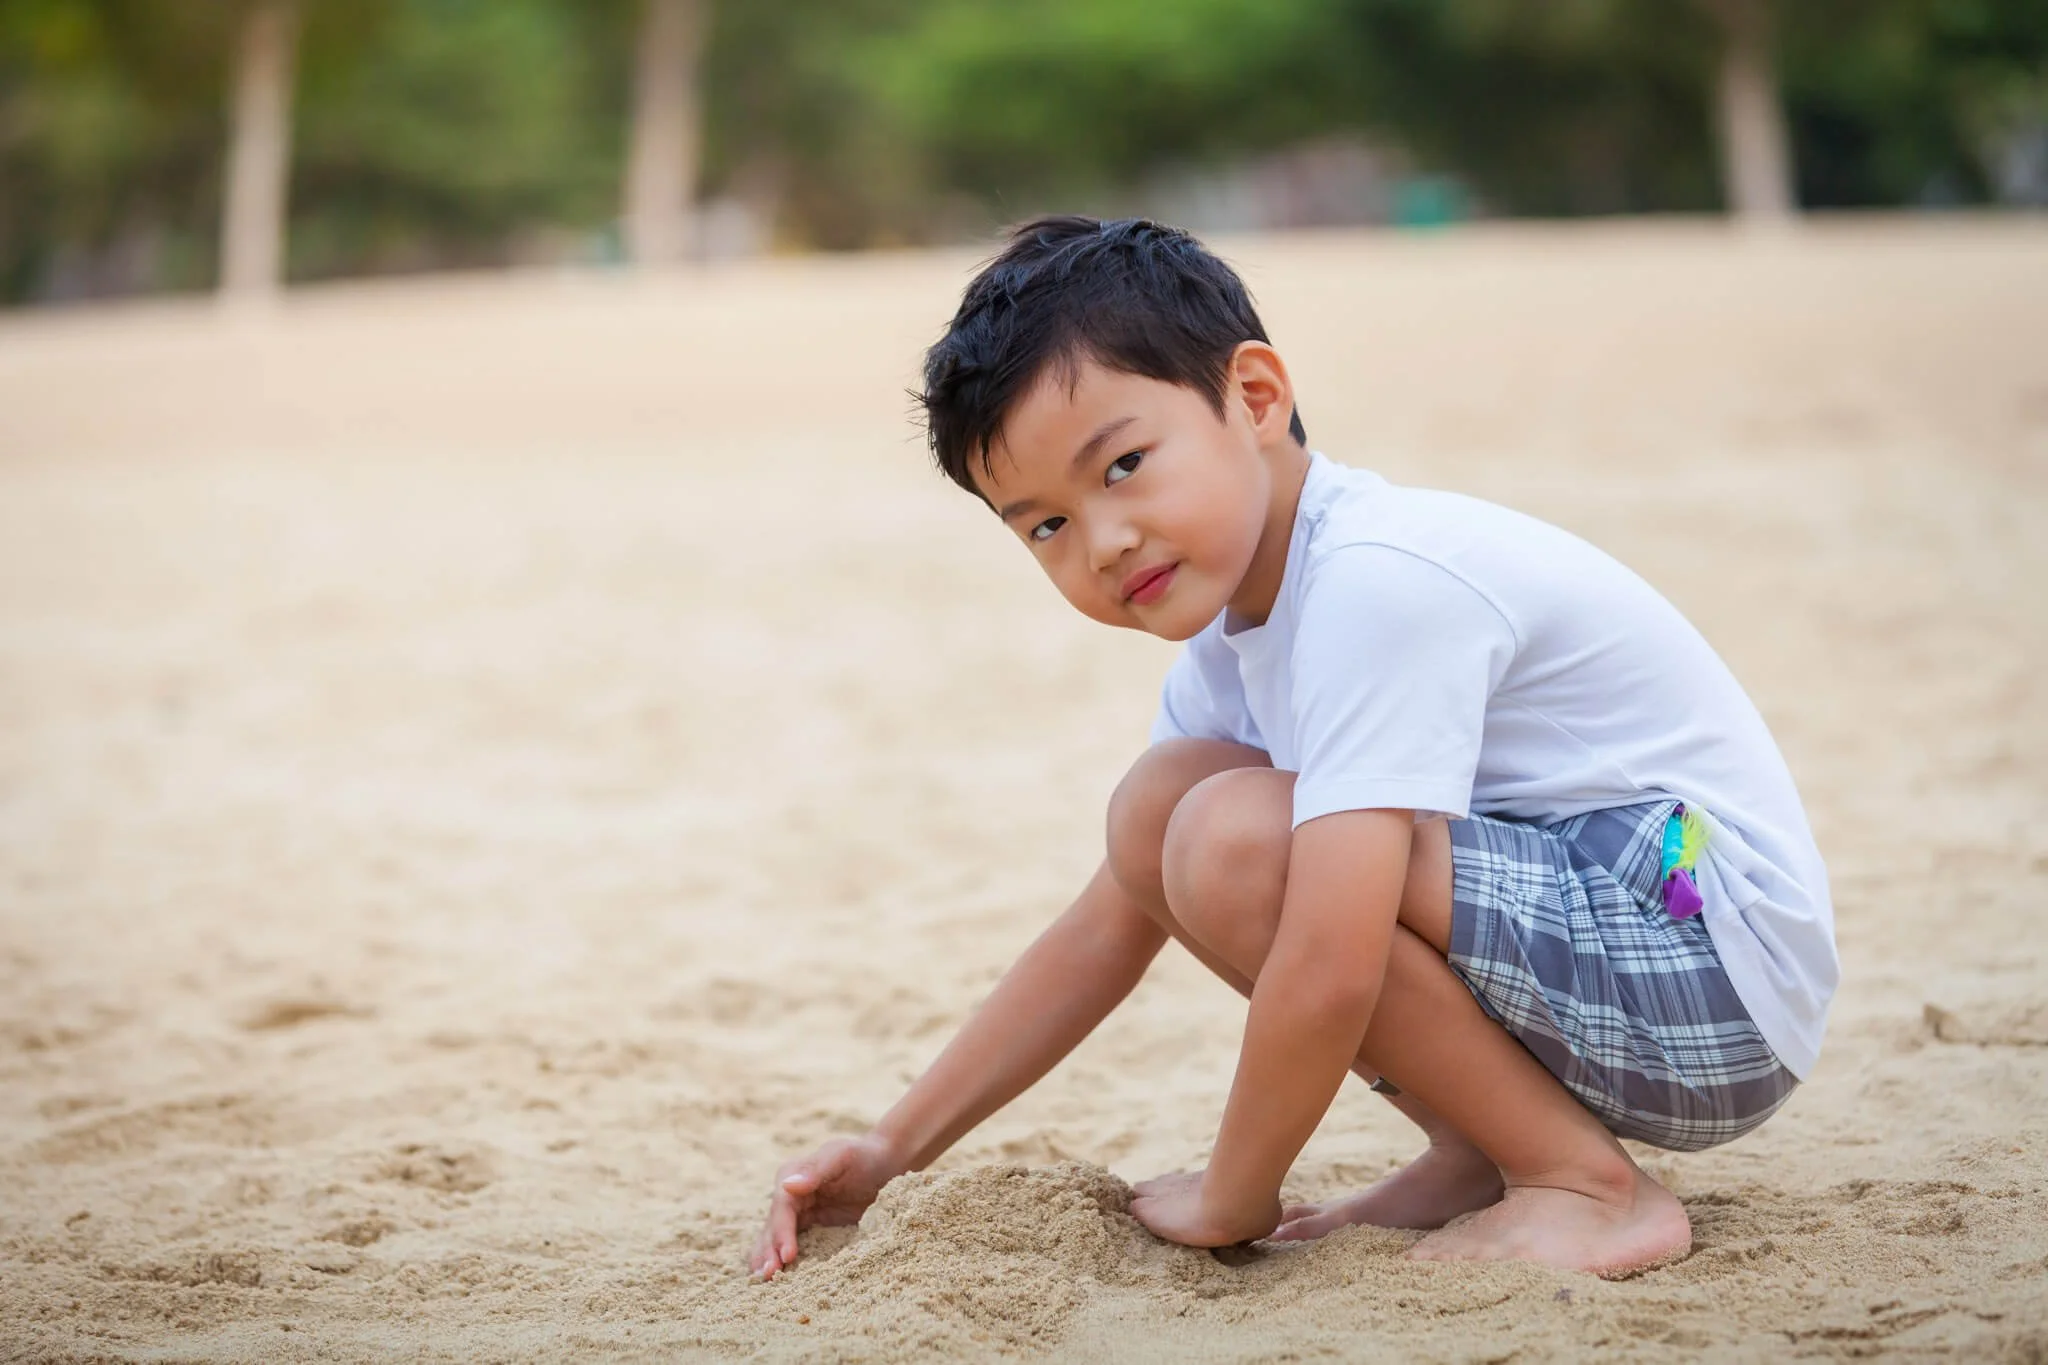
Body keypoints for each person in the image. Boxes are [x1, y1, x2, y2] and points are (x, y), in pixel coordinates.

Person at [747, 216, 1836, 1280]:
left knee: (1234, 837)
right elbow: (1107, 924)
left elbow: (1326, 951)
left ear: (1253, 398)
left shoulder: (1374, 579)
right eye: (1045, 526)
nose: (1103, 540)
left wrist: (1237, 1189)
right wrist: (892, 1151)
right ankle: (1482, 1151)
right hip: (1621, 954)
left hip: (1706, 962)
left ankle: (1585, 1187)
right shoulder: (1229, 643)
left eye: (1122, 464)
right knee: (1157, 808)